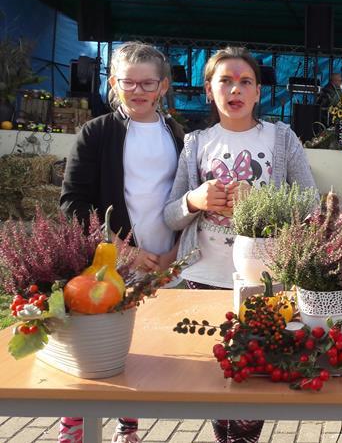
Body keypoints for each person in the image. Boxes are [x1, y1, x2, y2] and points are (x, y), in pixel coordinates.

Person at [163, 47, 317, 442]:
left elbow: (311, 205)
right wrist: (194, 200)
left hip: (265, 283)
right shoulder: (196, 143)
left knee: (256, 381)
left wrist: (263, 204)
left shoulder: (281, 138)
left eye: (245, 81)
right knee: (218, 381)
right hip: (203, 277)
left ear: (258, 91)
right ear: (209, 90)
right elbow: (170, 215)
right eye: (225, 81)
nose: (236, 89)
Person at [59, 42, 184, 443]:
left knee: (141, 346)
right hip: (106, 265)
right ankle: (73, 428)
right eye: (129, 82)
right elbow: (73, 202)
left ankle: (127, 427)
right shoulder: (96, 133)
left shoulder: (177, 135)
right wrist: (121, 249)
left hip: (162, 262)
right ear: (113, 82)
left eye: (148, 83)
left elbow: (185, 199)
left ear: (163, 86)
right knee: (94, 349)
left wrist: (173, 254)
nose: (138, 91)